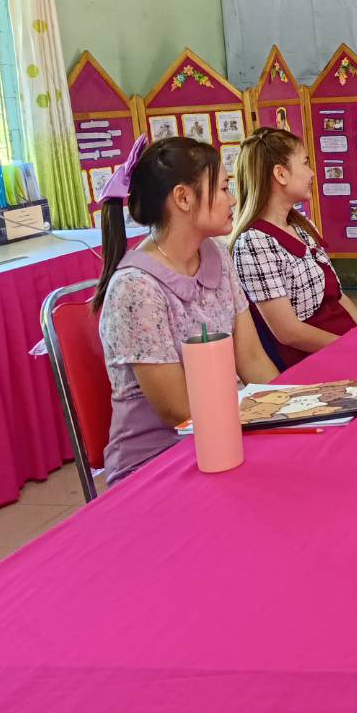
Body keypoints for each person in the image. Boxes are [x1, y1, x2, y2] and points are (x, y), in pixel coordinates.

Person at [93, 134, 278, 486]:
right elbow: (178, 409)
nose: (232, 199)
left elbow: (253, 360)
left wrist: (289, 412)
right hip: (159, 462)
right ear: (183, 197)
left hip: (229, 431)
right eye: (222, 188)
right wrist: (258, 419)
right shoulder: (135, 287)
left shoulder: (216, 254)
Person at [230, 127, 357, 367]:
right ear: (281, 174)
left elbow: (338, 296)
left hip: (345, 346)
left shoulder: (301, 226)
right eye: (305, 163)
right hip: (315, 361)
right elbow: (289, 332)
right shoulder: (253, 242)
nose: (312, 173)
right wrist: (353, 348)